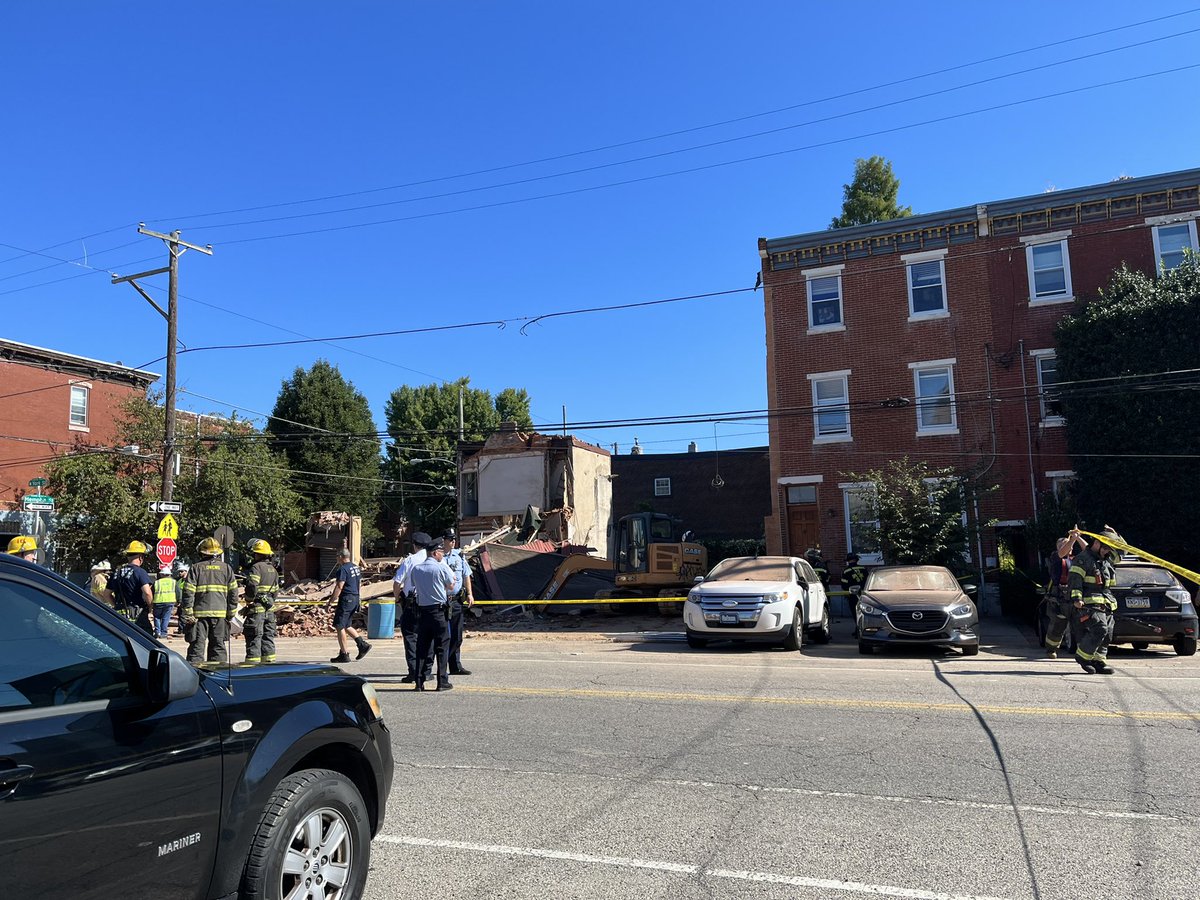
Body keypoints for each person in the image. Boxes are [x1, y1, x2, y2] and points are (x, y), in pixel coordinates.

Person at [1068, 525, 1123, 675]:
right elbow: (1075, 580)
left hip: (1107, 601)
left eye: (1109, 549)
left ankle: (1099, 661)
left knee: (1108, 633)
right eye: (1105, 548)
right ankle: (1083, 656)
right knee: (1100, 629)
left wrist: (1115, 533)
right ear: (1097, 543)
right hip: (1089, 602)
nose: (1107, 552)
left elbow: (1123, 551)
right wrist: (1076, 598)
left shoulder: (1107, 559)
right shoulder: (1082, 559)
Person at [180, 537, 239, 665]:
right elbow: (234, 594)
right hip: (220, 616)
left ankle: (195, 677)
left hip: (198, 617)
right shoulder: (227, 568)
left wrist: (188, 614)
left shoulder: (196, 568)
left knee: (196, 649)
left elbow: (188, 593)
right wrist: (230, 614)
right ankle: (217, 677)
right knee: (218, 648)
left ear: (201, 552)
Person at [410, 539, 458, 691]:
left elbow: (414, 585)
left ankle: (419, 681)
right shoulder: (440, 568)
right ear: (434, 553)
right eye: (441, 552)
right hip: (438, 611)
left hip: (423, 612)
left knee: (422, 647)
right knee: (442, 647)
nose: (442, 555)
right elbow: (451, 586)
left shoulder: (416, 569)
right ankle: (442, 681)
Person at [393, 532, 431, 683]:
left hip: (412, 604)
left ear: (415, 545)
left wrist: (397, 599)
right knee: (428, 638)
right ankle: (427, 671)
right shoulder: (434, 560)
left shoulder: (410, 560)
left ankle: (414, 672)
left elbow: (397, 583)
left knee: (410, 637)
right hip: (429, 604)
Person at [1044, 530, 1087, 658]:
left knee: (1080, 625)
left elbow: (1089, 550)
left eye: (1071, 546)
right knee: (1057, 626)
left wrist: (1078, 538)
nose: (1070, 548)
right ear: (1058, 547)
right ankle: (1051, 649)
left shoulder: (1077, 559)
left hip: (1075, 596)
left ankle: (1083, 652)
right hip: (1059, 598)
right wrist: (1072, 539)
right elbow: (1062, 553)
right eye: (1066, 545)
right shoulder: (1055, 557)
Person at [441, 528, 474, 676]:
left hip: (456, 601)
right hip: (441, 601)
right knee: (442, 635)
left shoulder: (459, 556)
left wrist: (469, 594)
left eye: (454, 539)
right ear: (444, 541)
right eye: (450, 539)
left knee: (457, 635)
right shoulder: (438, 556)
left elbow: (466, 575)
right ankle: (441, 668)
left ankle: (455, 665)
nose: (453, 542)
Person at [328, 548, 371, 663]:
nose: (336, 558)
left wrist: (330, 601)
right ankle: (362, 645)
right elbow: (358, 584)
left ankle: (344, 653)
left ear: (341, 557)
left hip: (347, 599)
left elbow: (339, 586)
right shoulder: (355, 567)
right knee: (346, 624)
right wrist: (358, 598)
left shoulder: (343, 569)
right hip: (355, 597)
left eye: (337, 556)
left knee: (339, 626)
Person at [243, 538, 280, 664]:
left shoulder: (256, 567)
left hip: (257, 610)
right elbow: (275, 591)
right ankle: (268, 664)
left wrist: (249, 599)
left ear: (258, 554)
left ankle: (252, 667)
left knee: (254, 637)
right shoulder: (273, 570)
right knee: (268, 637)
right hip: (270, 610)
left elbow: (252, 585)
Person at [110, 541, 155, 632]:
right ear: (141, 557)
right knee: (146, 640)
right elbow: (147, 592)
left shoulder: (117, 572)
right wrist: (151, 607)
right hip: (137, 615)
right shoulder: (140, 572)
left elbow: (106, 593)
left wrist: (117, 605)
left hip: (119, 615)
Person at [840, 552, 867, 635]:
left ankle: (858, 630)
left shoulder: (846, 571)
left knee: (855, 612)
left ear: (848, 561)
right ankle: (864, 629)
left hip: (852, 595)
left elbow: (844, 584)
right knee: (864, 612)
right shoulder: (863, 568)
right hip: (864, 595)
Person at [151, 564, 178, 639]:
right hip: (169, 602)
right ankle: (163, 633)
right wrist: (179, 601)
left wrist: (150, 603)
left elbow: (152, 592)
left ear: (162, 574)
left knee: (157, 617)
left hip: (158, 602)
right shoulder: (173, 582)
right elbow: (178, 592)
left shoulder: (157, 582)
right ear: (169, 574)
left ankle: (157, 632)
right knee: (166, 618)